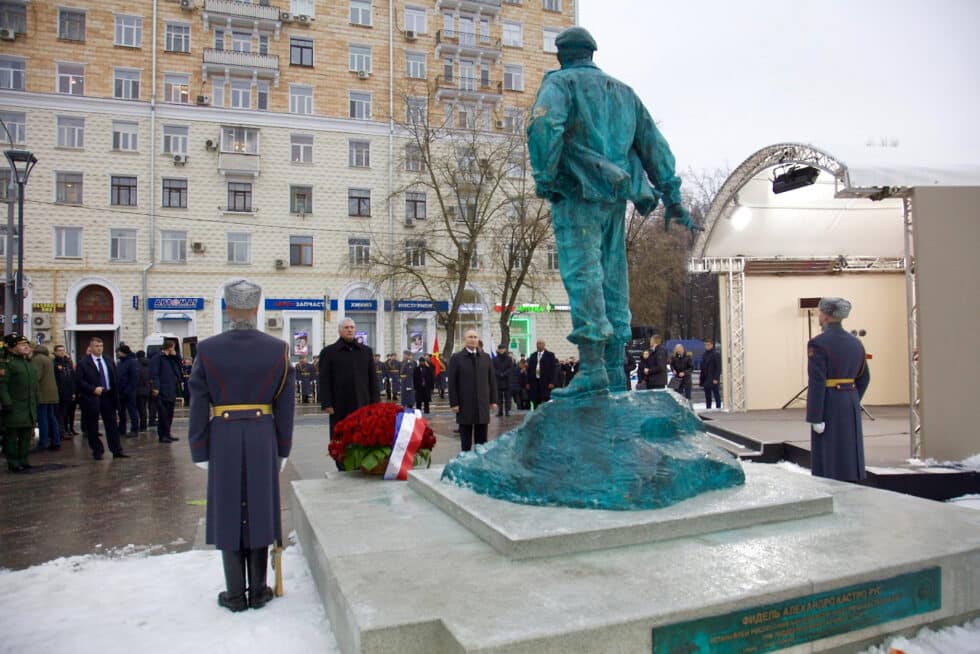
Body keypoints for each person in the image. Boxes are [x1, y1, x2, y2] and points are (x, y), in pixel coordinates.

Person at [527, 26, 696, 397]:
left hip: (577, 192)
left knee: (582, 273)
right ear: (591, 53)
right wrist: (673, 199)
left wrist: (545, 175)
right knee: (613, 278)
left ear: (562, 55)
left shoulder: (561, 84)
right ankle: (614, 368)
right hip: (615, 199)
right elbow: (654, 145)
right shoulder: (624, 93)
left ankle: (592, 368)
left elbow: (543, 125)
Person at [187, 279, 295, 612]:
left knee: (228, 506)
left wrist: (199, 448)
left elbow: (198, 402)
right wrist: (283, 448)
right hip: (263, 434)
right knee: (261, 506)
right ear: (257, 308)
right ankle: (260, 589)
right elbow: (285, 406)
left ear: (228, 309)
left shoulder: (207, 349)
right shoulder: (277, 349)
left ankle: (235, 593)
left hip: (223, 434)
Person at [806, 297, 871, 482]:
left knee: (829, 453)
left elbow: (817, 382)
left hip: (829, 402)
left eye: (820, 312)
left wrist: (815, 416)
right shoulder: (856, 342)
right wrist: (852, 399)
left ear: (826, 315)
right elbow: (865, 377)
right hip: (850, 399)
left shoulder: (818, 343)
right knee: (850, 450)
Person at [318, 318, 379, 440]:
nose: (350, 330)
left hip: (363, 403)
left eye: (352, 327)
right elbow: (324, 380)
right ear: (339, 331)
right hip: (339, 405)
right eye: (346, 327)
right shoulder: (329, 352)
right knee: (341, 441)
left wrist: (375, 402)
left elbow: (373, 379)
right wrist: (327, 403)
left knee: (363, 439)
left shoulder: (365, 351)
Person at [75, 336, 128, 460]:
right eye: (96, 346)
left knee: (112, 424)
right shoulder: (84, 363)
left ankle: (116, 450)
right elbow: (79, 381)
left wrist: (116, 394)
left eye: (101, 346)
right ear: (91, 347)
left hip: (108, 396)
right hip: (92, 397)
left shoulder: (108, 360)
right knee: (92, 425)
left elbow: (114, 378)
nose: (99, 349)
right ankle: (97, 451)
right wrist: (92, 389)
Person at [448, 329, 498, 452]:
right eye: (470, 337)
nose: (473, 339)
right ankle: (465, 461)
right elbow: (452, 383)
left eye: (475, 337)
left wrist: (493, 400)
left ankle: (479, 463)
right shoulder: (457, 358)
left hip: (482, 404)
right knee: (466, 441)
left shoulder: (485, 358)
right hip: (465, 404)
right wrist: (454, 403)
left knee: (482, 442)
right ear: (465, 340)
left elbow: (491, 380)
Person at [0, 333, 39, 472]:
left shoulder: (28, 363)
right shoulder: (7, 363)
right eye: (22, 345)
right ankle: (13, 461)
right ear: (12, 348)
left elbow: (34, 385)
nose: (26, 347)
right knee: (12, 436)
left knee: (26, 436)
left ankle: (24, 459)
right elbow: (2, 385)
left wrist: (37, 401)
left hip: (29, 406)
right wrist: (6, 402)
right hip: (14, 406)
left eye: (27, 345)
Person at [149, 339, 183, 444]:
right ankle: (162, 435)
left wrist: (176, 355)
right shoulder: (158, 358)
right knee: (163, 414)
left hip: (171, 388)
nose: (174, 349)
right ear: (168, 347)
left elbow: (179, 365)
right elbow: (155, 373)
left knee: (169, 414)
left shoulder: (171, 358)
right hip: (162, 389)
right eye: (172, 347)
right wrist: (156, 387)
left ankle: (167, 433)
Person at [32, 344, 62, 451]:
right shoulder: (49, 359)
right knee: (51, 416)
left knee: (42, 418)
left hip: (42, 393)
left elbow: (36, 376)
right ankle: (56, 440)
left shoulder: (37, 359)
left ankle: (43, 442)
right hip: (52, 393)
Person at [53, 344, 77, 439]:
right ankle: (61, 432)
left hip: (68, 392)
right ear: (55, 352)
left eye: (63, 350)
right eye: (59, 350)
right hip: (59, 392)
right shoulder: (54, 363)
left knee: (66, 413)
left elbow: (72, 377)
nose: (62, 352)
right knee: (59, 414)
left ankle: (66, 430)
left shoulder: (67, 363)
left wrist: (73, 391)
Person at [115, 343, 140, 437]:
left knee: (132, 411)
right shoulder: (120, 362)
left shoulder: (132, 362)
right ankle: (121, 429)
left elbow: (134, 378)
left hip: (129, 392)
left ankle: (134, 429)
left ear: (123, 352)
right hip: (120, 392)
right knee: (121, 412)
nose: (118, 353)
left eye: (119, 352)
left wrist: (128, 390)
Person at [526, 339, 559, 408]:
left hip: (545, 382)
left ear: (544, 345)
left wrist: (552, 382)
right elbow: (529, 370)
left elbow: (553, 370)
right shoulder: (533, 355)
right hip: (535, 382)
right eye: (537, 344)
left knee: (546, 399)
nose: (539, 345)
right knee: (535, 399)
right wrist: (528, 382)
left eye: (540, 344)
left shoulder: (550, 355)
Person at [492, 344, 515, 416]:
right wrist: (499, 374)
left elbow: (511, 368)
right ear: (498, 350)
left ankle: (507, 411)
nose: (501, 350)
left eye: (502, 349)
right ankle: (500, 411)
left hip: (507, 380)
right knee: (499, 398)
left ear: (505, 349)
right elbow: (493, 369)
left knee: (508, 398)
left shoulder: (508, 359)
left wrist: (504, 374)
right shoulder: (495, 359)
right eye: (500, 349)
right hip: (498, 381)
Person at [700, 339, 722, 409]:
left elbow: (718, 367)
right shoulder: (704, 354)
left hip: (713, 378)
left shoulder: (716, 354)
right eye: (705, 345)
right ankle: (708, 407)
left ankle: (718, 407)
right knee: (707, 395)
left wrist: (716, 378)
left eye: (708, 345)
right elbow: (703, 367)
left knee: (716, 394)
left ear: (712, 345)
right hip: (706, 378)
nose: (706, 346)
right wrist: (702, 378)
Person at [135, 350, 151, 431]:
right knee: (144, 408)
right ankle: (144, 425)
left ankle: (142, 425)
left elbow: (137, 378)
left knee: (140, 409)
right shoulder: (149, 364)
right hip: (147, 389)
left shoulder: (137, 365)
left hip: (138, 390)